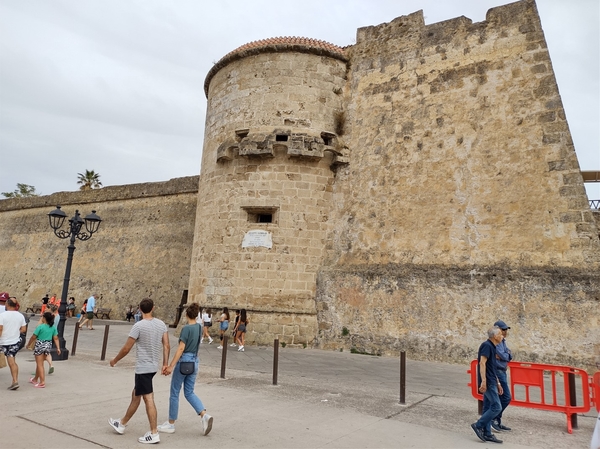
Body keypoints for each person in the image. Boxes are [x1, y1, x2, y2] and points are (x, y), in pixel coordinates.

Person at [108, 298, 170, 445]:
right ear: (153, 308)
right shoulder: (161, 324)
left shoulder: (138, 326)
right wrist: (165, 364)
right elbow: (166, 345)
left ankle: (154, 432)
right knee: (136, 394)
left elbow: (126, 348)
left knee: (148, 398)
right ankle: (121, 423)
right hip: (153, 366)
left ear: (140, 309)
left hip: (143, 367)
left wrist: (115, 360)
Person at [158, 303, 213, 436]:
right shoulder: (199, 328)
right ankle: (204, 414)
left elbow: (181, 348)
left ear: (187, 314)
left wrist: (171, 365)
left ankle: (171, 423)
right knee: (189, 392)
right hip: (195, 361)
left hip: (184, 361)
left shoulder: (186, 329)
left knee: (175, 392)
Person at [471, 326, 504, 444]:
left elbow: (492, 367)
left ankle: (488, 433)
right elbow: (482, 363)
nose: (502, 336)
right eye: (500, 334)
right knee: (496, 407)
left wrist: (498, 383)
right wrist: (483, 381)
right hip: (488, 382)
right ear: (495, 336)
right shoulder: (486, 346)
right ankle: (478, 425)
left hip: (492, 380)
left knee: (489, 407)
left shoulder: (493, 347)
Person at [485, 319, 512, 432]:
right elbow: (503, 355)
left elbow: (508, 355)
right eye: (503, 329)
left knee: (492, 400)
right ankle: (491, 421)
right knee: (505, 397)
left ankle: (492, 422)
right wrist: (505, 355)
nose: (505, 331)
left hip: (502, 371)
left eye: (506, 329)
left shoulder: (503, 342)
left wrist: (506, 355)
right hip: (497, 372)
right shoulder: (494, 343)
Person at [27, 311, 60, 388]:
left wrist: (28, 344)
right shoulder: (53, 328)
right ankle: (35, 379)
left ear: (44, 318)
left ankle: (42, 382)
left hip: (40, 345)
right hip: (48, 345)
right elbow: (56, 338)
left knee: (40, 364)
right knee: (40, 364)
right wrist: (58, 348)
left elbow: (33, 337)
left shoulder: (40, 327)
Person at [0, 297, 27, 390]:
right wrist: (15, 331)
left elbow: (0, 329)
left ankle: (15, 381)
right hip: (15, 341)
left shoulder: (2, 316)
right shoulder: (20, 316)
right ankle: (15, 380)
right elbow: (24, 329)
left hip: (3, 341)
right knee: (12, 361)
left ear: (7, 304)